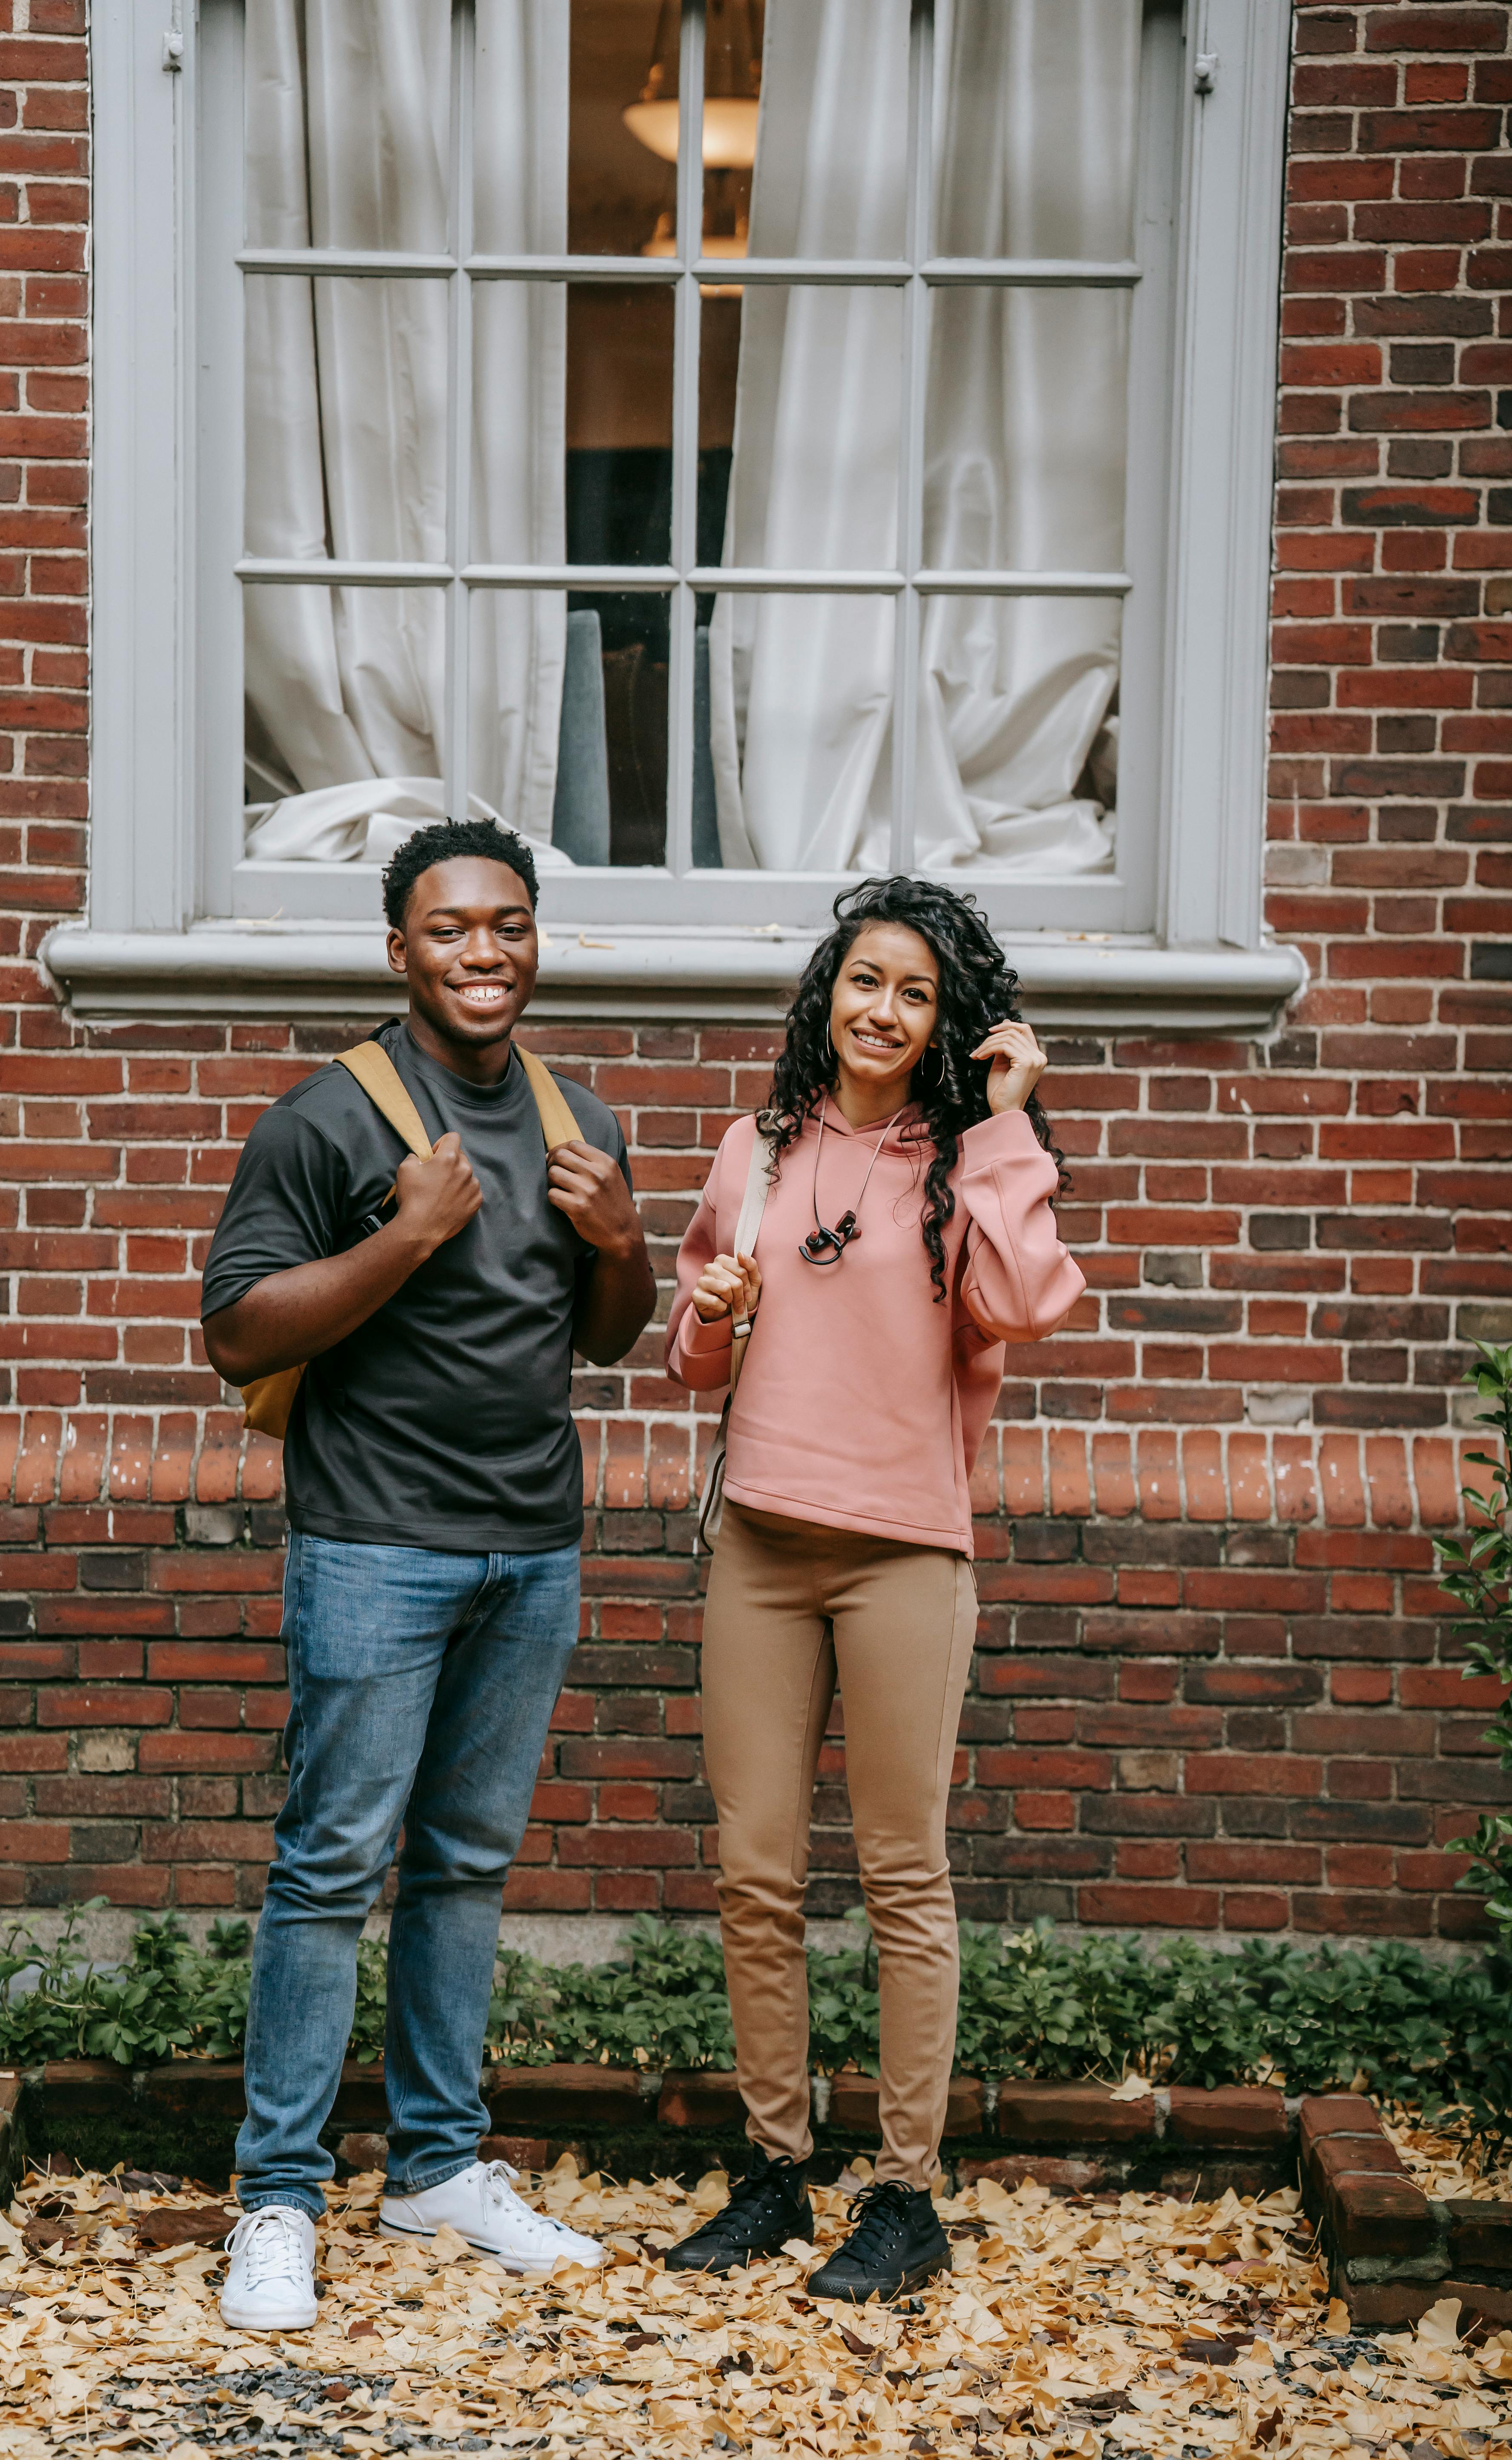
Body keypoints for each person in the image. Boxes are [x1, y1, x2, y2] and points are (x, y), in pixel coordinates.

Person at [200, 817, 656, 2333]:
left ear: (536, 940)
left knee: (464, 1866)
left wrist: (624, 1242)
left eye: (508, 924)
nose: (484, 951)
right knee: (331, 1867)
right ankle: (279, 2194)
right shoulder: (327, 1120)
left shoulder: (577, 1117)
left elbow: (605, 1339)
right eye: (451, 928)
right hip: (373, 1545)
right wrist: (408, 1236)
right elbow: (238, 1335)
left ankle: (440, 2167)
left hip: (532, 1549)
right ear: (399, 950)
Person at [663, 877, 1083, 2303]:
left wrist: (1009, 1121)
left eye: (916, 992)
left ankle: (904, 2195)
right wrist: (710, 1314)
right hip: (761, 1547)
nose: (884, 1010)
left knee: (903, 1875)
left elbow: (1024, 1306)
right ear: (826, 994)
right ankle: (776, 2172)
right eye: (865, 980)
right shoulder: (759, 1148)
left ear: (950, 1021)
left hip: (905, 1549)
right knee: (755, 1874)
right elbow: (695, 1359)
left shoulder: (971, 1166)